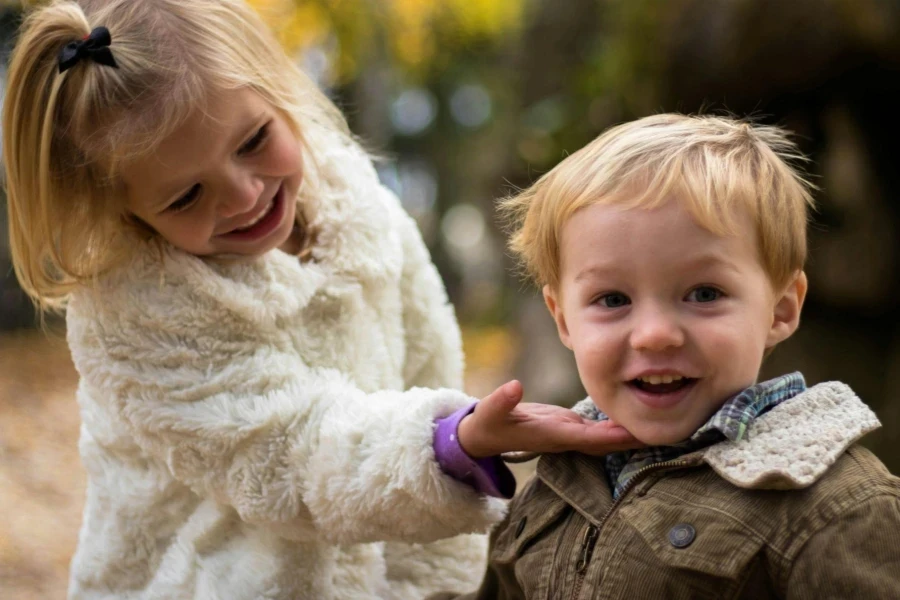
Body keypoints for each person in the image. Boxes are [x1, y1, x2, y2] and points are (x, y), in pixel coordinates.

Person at [2, 1, 640, 598]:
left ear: (281, 94)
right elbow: (288, 458)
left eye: (253, 140)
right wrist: (449, 445)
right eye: (185, 197)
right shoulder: (137, 314)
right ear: (125, 211)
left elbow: (424, 356)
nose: (244, 194)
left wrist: (436, 572)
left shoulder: (355, 206)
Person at [432, 114, 900, 599]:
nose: (655, 336)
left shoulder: (837, 507)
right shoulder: (558, 482)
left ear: (780, 310)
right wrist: (450, 447)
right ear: (564, 320)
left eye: (703, 293)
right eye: (613, 300)